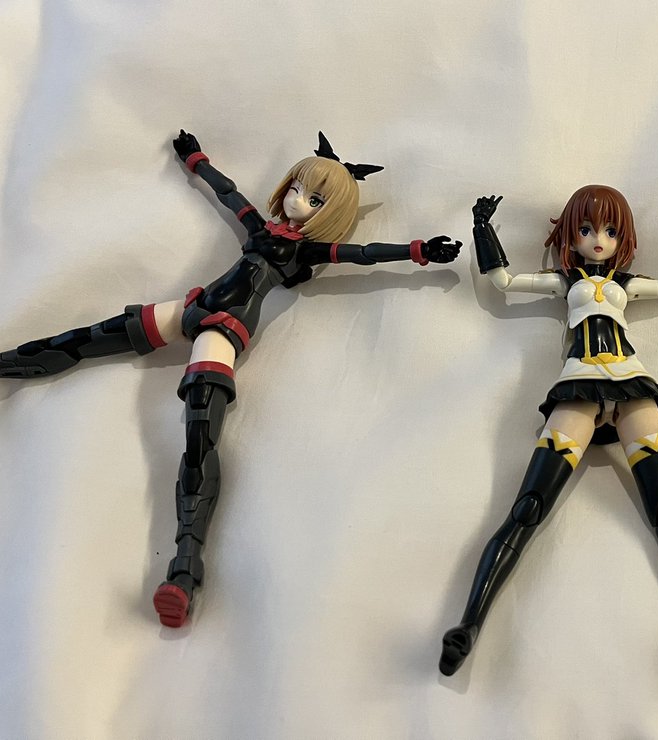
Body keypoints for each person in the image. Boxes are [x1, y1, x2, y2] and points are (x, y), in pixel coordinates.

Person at [0, 130, 461, 627]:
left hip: (223, 328)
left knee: (200, 434)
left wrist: (418, 250)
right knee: (90, 336)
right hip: (192, 305)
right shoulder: (262, 230)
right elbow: (229, 194)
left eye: (314, 200)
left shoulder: (306, 253)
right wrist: (196, 159)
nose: (297, 201)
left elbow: (363, 254)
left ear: (329, 212)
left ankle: (184, 568)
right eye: (296, 188)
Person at [440, 185, 658, 691]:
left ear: (623, 238)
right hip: (579, 383)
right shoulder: (566, 280)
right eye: (586, 229)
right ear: (571, 236)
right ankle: (469, 625)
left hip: (632, 382)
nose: (598, 239)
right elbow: (504, 280)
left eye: (609, 230)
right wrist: (482, 229)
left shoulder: (627, 282)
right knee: (528, 507)